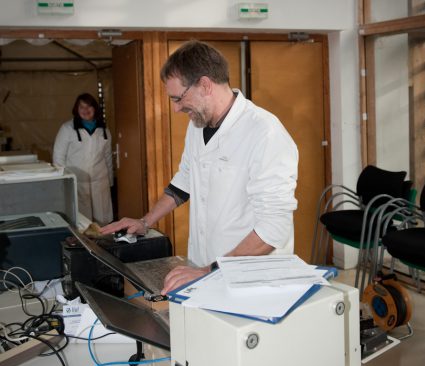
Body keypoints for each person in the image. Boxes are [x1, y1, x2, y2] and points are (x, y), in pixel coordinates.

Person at [100, 40, 298, 294]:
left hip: (250, 280)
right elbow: (184, 182)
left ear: (205, 85)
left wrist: (211, 270)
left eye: (179, 98)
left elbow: (273, 229)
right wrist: (145, 222)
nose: (176, 108)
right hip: (205, 268)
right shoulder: (197, 126)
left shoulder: (265, 133)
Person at [53, 93, 113, 225]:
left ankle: (102, 243)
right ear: (76, 109)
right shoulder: (67, 129)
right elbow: (58, 157)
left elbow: (108, 156)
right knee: (82, 222)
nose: (85, 110)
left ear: (95, 109)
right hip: (76, 182)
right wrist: (63, 181)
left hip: (100, 182)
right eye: (81, 107)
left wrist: (110, 180)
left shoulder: (104, 130)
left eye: (89, 107)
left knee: (102, 221)